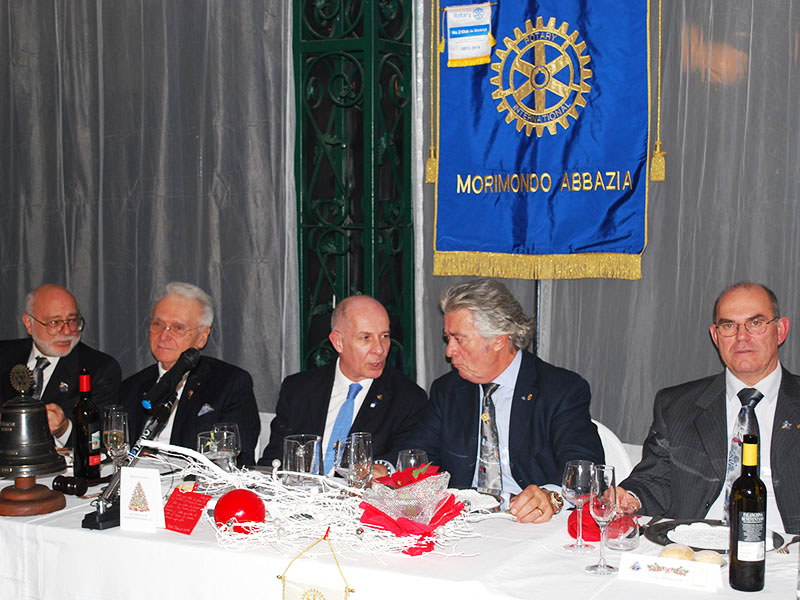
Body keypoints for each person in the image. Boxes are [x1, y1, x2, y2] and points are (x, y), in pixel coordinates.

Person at [402, 279, 604, 524]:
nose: (449, 351)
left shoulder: (560, 390)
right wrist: (386, 469)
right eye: (448, 339)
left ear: (498, 339)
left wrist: (550, 496)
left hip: (530, 524)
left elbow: (584, 464)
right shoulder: (448, 390)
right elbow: (417, 454)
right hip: (462, 524)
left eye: (459, 339)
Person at [618, 282, 800, 533]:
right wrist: (629, 497)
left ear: (780, 330)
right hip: (697, 545)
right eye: (729, 326)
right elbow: (655, 479)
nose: (742, 337)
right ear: (715, 336)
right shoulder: (676, 406)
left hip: (789, 549)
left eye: (755, 323)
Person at [258, 295, 427, 476]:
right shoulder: (298, 389)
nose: (379, 349)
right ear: (338, 342)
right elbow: (273, 461)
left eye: (384, 336)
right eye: (366, 338)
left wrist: (383, 468)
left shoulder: (407, 398)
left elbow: (405, 459)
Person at [120, 282, 260, 466]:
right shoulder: (131, 387)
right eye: (158, 324)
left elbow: (239, 460)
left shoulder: (229, 384)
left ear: (202, 337)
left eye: (177, 327)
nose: (163, 335)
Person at [0, 284, 121, 446]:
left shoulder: (99, 369)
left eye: (72, 321)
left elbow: (100, 442)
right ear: (29, 323)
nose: (67, 331)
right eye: (54, 322)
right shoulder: (4, 355)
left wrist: (64, 430)